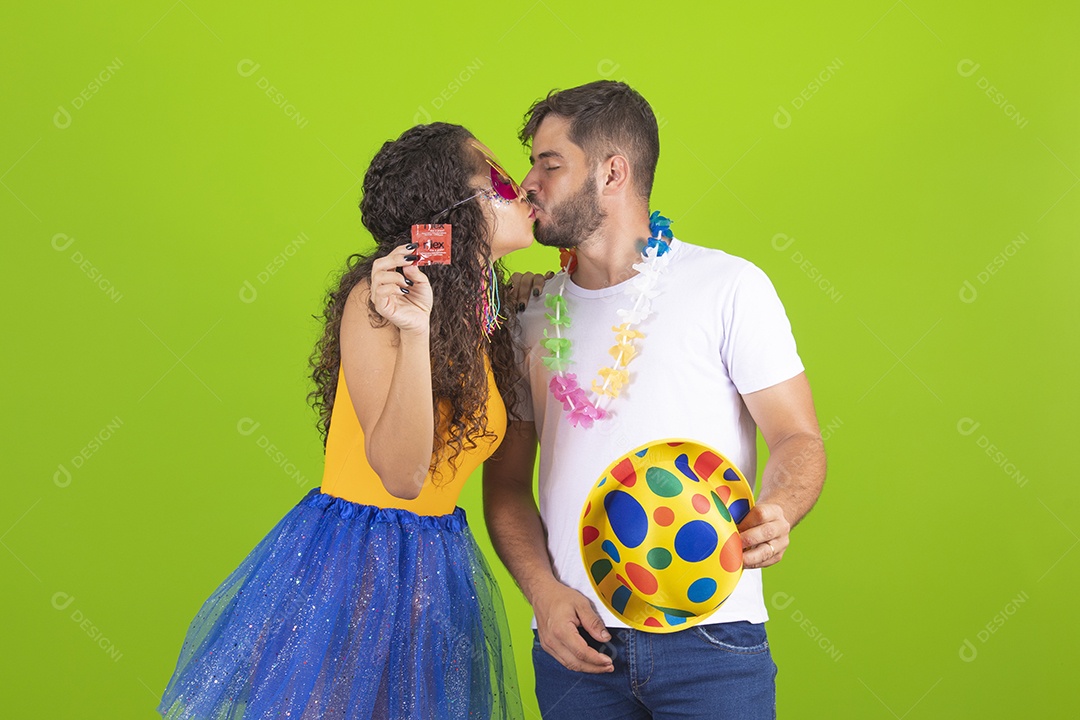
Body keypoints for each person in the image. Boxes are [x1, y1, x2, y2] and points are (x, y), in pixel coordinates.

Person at [158, 122, 533, 720]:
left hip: (436, 564)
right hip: (359, 565)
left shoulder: (480, 304)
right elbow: (403, 475)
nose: (522, 191)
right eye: (498, 180)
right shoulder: (381, 303)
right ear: (452, 212)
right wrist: (414, 333)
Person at [483, 81, 827, 719]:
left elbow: (797, 437)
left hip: (713, 643)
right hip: (576, 645)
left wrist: (778, 508)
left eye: (549, 164)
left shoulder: (729, 286)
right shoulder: (528, 316)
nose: (526, 183)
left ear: (613, 171)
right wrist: (541, 595)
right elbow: (504, 486)